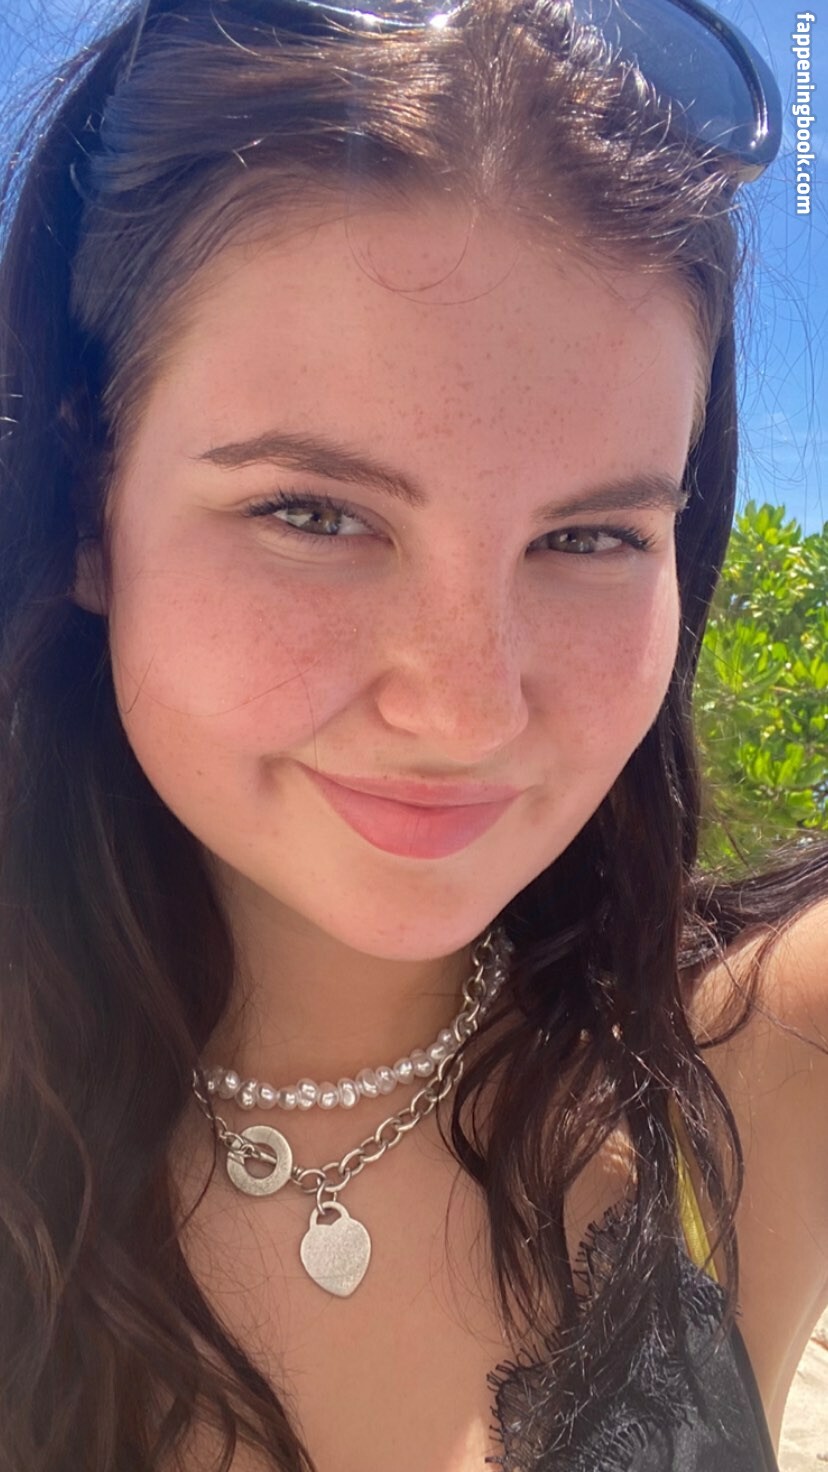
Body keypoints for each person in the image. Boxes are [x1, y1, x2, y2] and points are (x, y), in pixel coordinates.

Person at [0, 0, 826, 1467]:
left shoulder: (758, 1065)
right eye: (312, 513)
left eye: (588, 536)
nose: (465, 706)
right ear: (86, 509)